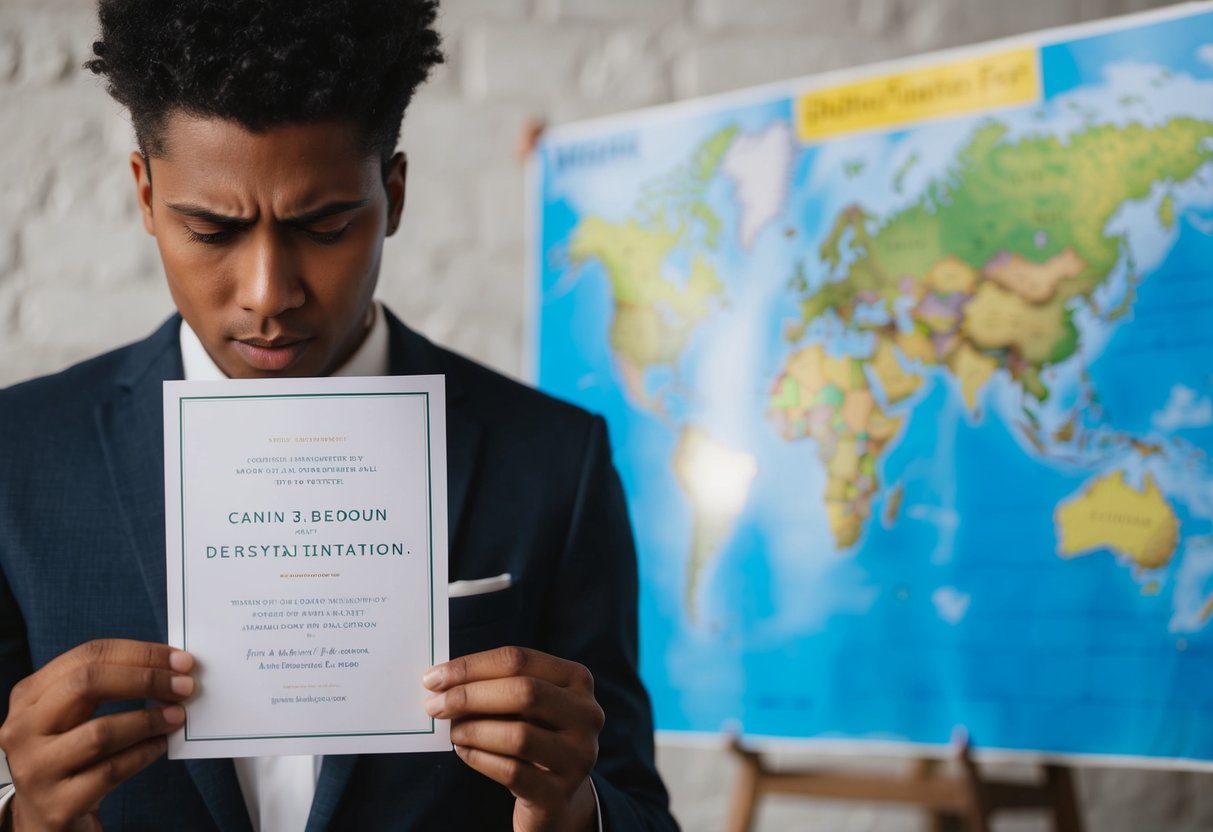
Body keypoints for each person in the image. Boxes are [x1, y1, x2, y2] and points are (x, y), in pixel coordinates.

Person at [0, 1, 676, 830]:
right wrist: (21, 819)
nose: (268, 295)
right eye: (210, 230)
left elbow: (640, 806)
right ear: (145, 195)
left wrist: (572, 809)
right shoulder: (19, 454)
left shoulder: (552, 458)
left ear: (391, 194)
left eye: (323, 226)